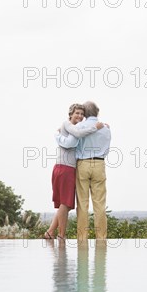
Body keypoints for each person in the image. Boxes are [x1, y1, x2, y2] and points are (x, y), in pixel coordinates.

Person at [44, 103, 104, 241]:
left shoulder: (72, 128)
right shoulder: (68, 126)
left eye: (82, 114)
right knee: (65, 203)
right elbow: (72, 141)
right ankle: (61, 235)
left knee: (64, 205)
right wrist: (96, 127)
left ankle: (50, 232)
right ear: (70, 114)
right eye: (77, 113)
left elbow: (76, 137)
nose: (80, 116)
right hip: (65, 168)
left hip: (66, 168)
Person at [73, 101, 111, 241]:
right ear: (97, 112)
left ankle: (82, 238)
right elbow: (106, 148)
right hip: (99, 163)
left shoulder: (79, 126)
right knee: (99, 203)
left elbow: (74, 146)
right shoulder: (106, 129)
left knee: (82, 204)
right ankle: (101, 237)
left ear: (85, 113)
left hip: (82, 164)